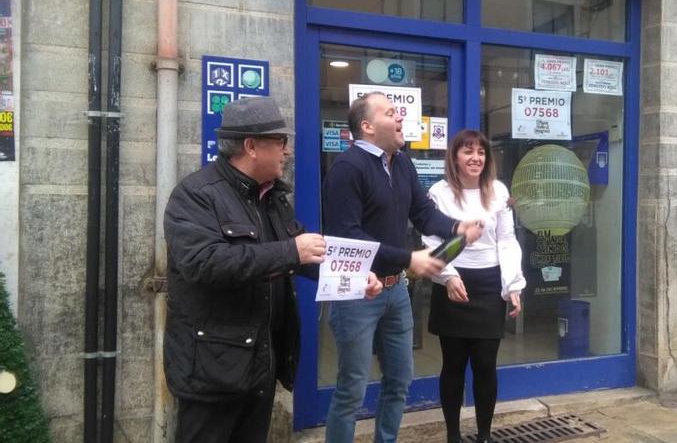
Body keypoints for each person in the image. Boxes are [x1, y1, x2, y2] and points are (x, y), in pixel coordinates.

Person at [163, 96, 382, 443]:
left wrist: (356, 276)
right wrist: (290, 251)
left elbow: (305, 253)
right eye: (281, 142)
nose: (288, 151)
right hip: (212, 370)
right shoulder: (196, 195)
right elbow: (204, 263)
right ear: (251, 146)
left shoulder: (272, 198)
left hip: (260, 365)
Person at [322, 92, 484, 443]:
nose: (400, 118)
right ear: (367, 126)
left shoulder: (403, 163)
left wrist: (457, 227)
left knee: (399, 382)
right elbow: (348, 236)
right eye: (391, 112)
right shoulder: (346, 169)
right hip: (356, 294)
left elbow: (423, 212)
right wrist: (409, 258)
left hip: (396, 292)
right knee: (351, 389)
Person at [422, 130, 526, 443]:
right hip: (453, 283)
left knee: (485, 365)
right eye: (468, 152)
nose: (475, 158)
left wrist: (513, 284)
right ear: (454, 157)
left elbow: (507, 240)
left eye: (481, 152)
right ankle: (453, 435)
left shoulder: (497, 191)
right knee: (453, 365)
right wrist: (449, 276)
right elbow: (430, 239)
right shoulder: (438, 193)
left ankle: (483, 435)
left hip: (489, 284)